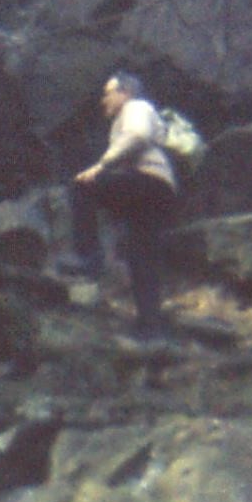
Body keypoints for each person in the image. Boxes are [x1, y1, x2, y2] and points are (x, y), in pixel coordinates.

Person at [64, 71, 181, 338]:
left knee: (82, 186)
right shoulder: (135, 112)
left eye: (107, 93)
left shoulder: (136, 107)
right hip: (159, 188)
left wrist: (101, 166)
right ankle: (150, 329)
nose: (103, 100)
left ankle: (87, 257)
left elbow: (137, 135)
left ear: (124, 92)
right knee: (143, 257)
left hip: (146, 179)